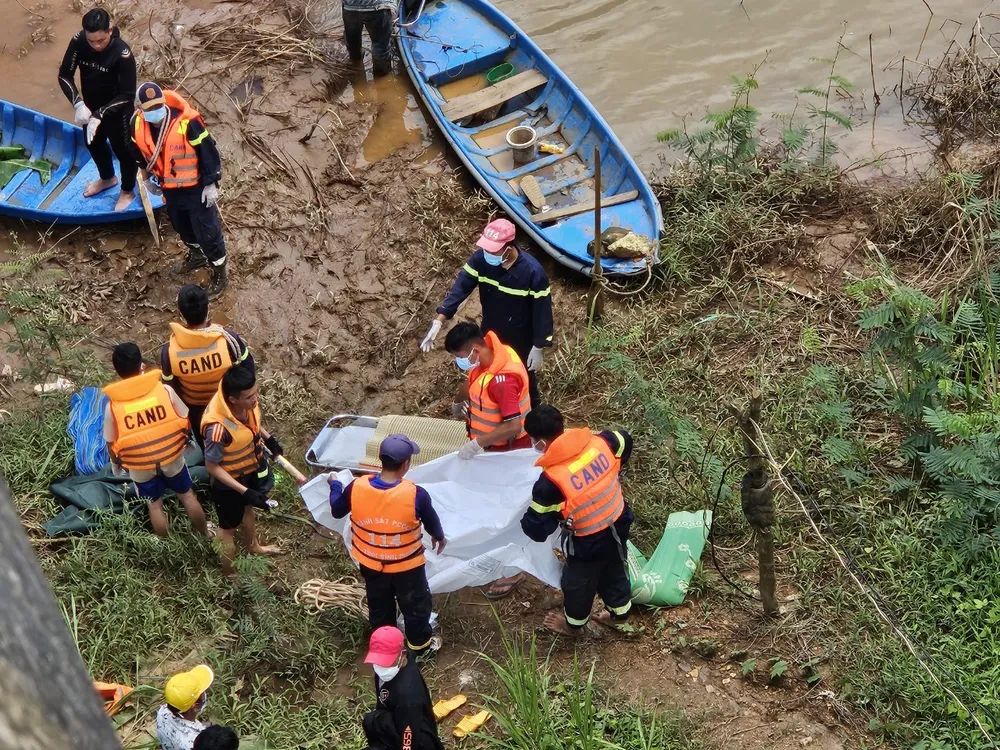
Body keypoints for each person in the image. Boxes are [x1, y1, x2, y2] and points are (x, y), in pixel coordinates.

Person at [519, 405, 634, 636]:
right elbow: (626, 440)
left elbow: (536, 529)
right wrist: (616, 470)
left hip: (589, 543)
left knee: (578, 584)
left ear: (540, 443)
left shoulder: (551, 482)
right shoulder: (603, 441)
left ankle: (572, 625)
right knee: (615, 571)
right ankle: (619, 615)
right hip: (618, 522)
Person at [329, 435, 445, 657]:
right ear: (405, 465)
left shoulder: (356, 487)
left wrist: (335, 484)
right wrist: (439, 537)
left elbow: (336, 510)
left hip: (371, 564)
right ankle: (419, 648)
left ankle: (387, 649)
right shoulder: (415, 494)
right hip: (407, 569)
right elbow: (432, 522)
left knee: (380, 606)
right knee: (415, 607)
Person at [421, 218, 553, 408]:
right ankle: (488, 405)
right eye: (486, 249)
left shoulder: (533, 273)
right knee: (485, 369)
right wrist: (439, 319)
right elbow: (461, 287)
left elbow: (543, 311)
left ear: (509, 247)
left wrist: (539, 346)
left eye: (493, 250)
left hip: (521, 336)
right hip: (491, 330)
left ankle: (533, 414)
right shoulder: (480, 260)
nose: (488, 253)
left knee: (523, 375)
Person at [443, 322, 530, 599]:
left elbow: (513, 426)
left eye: (461, 356)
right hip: (489, 449)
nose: (460, 363)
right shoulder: (490, 357)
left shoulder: (504, 381)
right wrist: (458, 401)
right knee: (484, 500)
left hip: (508, 452)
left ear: (475, 350)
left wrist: (477, 444)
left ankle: (515, 567)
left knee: (509, 509)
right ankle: (486, 544)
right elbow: (473, 379)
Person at [129, 82, 228, 297]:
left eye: (158, 107)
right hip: (169, 187)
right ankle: (196, 255)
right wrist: (146, 181)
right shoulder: (136, 124)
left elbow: (208, 151)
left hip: (196, 188)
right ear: (140, 110)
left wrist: (211, 183)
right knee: (181, 225)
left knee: (207, 230)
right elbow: (138, 154)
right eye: (149, 109)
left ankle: (220, 271)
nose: (155, 113)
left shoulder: (188, 122)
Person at [102, 342, 208, 538]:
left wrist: (116, 465)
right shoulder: (164, 391)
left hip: (141, 466)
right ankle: (204, 533)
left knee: (155, 506)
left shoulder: (113, 407)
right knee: (187, 496)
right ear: (141, 365)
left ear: (117, 372)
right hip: (171, 457)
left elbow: (111, 443)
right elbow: (184, 418)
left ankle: (168, 546)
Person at [202, 365, 284, 578]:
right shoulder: (217, 429)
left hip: (249, 470)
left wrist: (269, 439)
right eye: (249, 397)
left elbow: (252, 425)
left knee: (249, 509)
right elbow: (211, 466)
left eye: (256, 392)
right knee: (227, 531)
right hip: (227, 483)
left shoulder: (249, 404)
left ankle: (253, 546)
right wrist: (243, 491)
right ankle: (230, 574)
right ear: (232, 399)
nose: (255, 399)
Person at [57, 8, 139, 212]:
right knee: (92, 143)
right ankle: (108, 178)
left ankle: (127, 190)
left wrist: (100, 114)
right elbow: (64, 75)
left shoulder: (122, 54)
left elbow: (128, 94)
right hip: (89, 106)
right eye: (91, 41)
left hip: (117, 110)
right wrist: (77, 103)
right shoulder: (79, 42)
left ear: (110, 30)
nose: (96, 46)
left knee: (125, 152)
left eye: (100, 41)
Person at [161, 284, 253, 445]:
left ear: (180, 314)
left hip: (197, 414)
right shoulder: (228, 340)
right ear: (209, 308)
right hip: (228, 405)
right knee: (240, 440)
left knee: (208, 445)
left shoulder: (169, 352)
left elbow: (170, 390)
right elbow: (248, 370)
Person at [361, 626, 444, 750]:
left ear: (403, 655)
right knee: (371, 722)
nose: (380, 667)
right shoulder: (395, 666)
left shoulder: (408, 697)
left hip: (413, 734)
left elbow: (409, 738)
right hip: (393, 716)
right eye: (377, 660)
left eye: (386, 662)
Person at [156, 664, 213, 750]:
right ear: (195, 706)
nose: (205, 692)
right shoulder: (197, 743)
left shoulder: (162, 712)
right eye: (203, 691)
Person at [342, 0, 395, 77]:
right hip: (379, 7)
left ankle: (356, 65)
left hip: (350, 7)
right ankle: (382, 81)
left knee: (353, 41)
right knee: (380, 47)